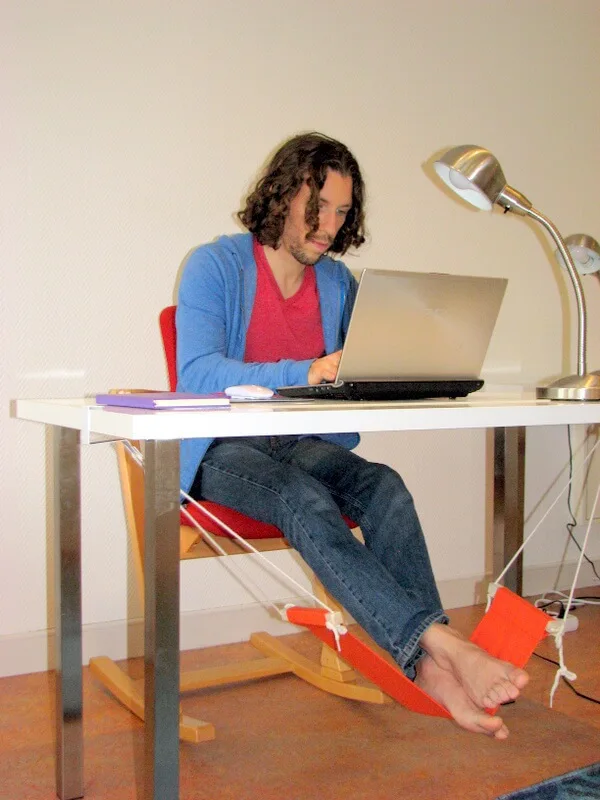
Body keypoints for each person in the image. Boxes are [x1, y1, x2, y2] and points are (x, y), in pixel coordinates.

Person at [176, 131, 528, 739]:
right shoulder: (216, 266)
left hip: (301, 444)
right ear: (281, 195)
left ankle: (429, 666)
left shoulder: (337, 285)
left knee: (385, 487)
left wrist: (413, 369)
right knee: (303, 499)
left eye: (341, 212)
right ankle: (444, 648)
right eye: (317, 207)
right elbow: (196, 373)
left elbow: (362, 367)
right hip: (221, 451)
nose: (329, 226)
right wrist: (306, 370)